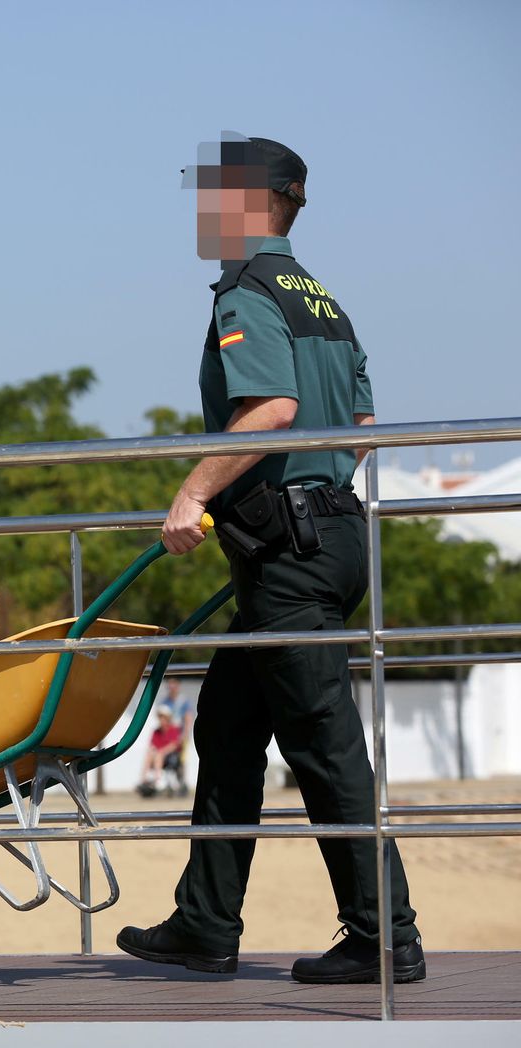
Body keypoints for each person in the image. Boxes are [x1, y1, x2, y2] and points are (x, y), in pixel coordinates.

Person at [116, 138, 423, 984]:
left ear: (253, 205)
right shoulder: (323, 299)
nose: (203, 217)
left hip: (290, 556)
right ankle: (206, 923)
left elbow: (274, 407)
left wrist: (196, 493)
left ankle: (384, 935)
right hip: (328, 539)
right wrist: (313, 501)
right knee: (226, 723)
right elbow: (358, 427)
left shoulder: (248, 290)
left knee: (324, 744)